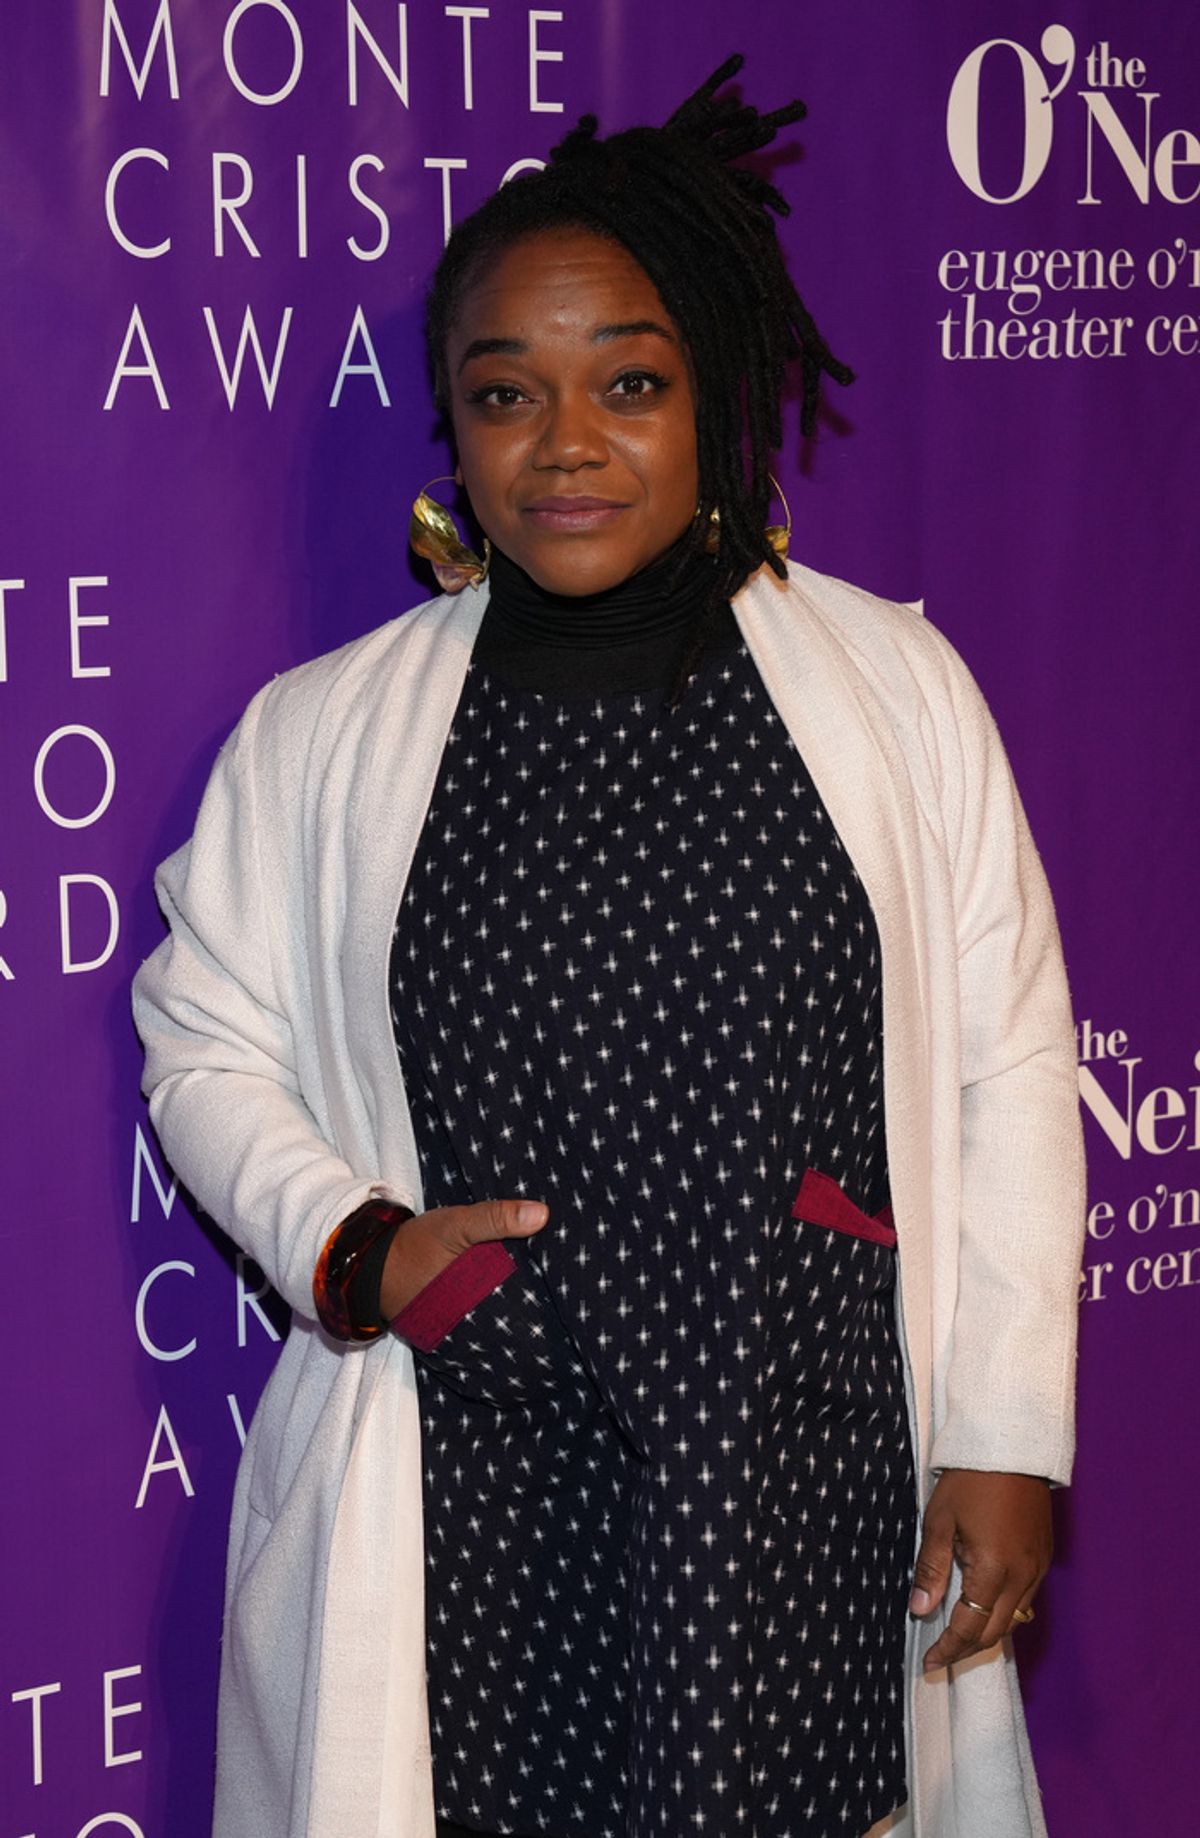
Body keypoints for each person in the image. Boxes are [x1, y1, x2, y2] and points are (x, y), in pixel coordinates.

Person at [133, 56, 1085, 1838]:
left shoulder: (893, 687)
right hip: (483, 1453)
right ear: (454, 425)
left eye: (627, 384)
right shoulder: (322, 732)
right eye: (507, 396)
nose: (567, 445)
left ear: (712, 392)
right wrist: (359, 1253)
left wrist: (1009, 1428)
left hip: (792, 1445)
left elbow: (1010, 1056)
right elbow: (202, 1034)